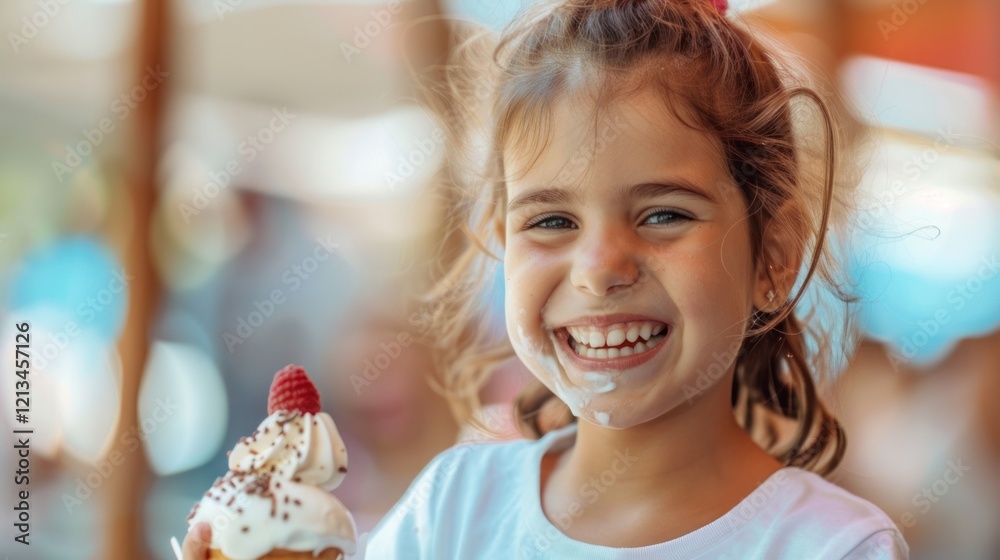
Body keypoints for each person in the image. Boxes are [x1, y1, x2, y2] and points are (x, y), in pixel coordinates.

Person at [185, 0, 909, 557]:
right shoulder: (452, 512)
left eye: (662, 215)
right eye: (552, 222)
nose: (600, 269)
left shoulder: (832, 547)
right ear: (499, 242)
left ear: (774, 256)